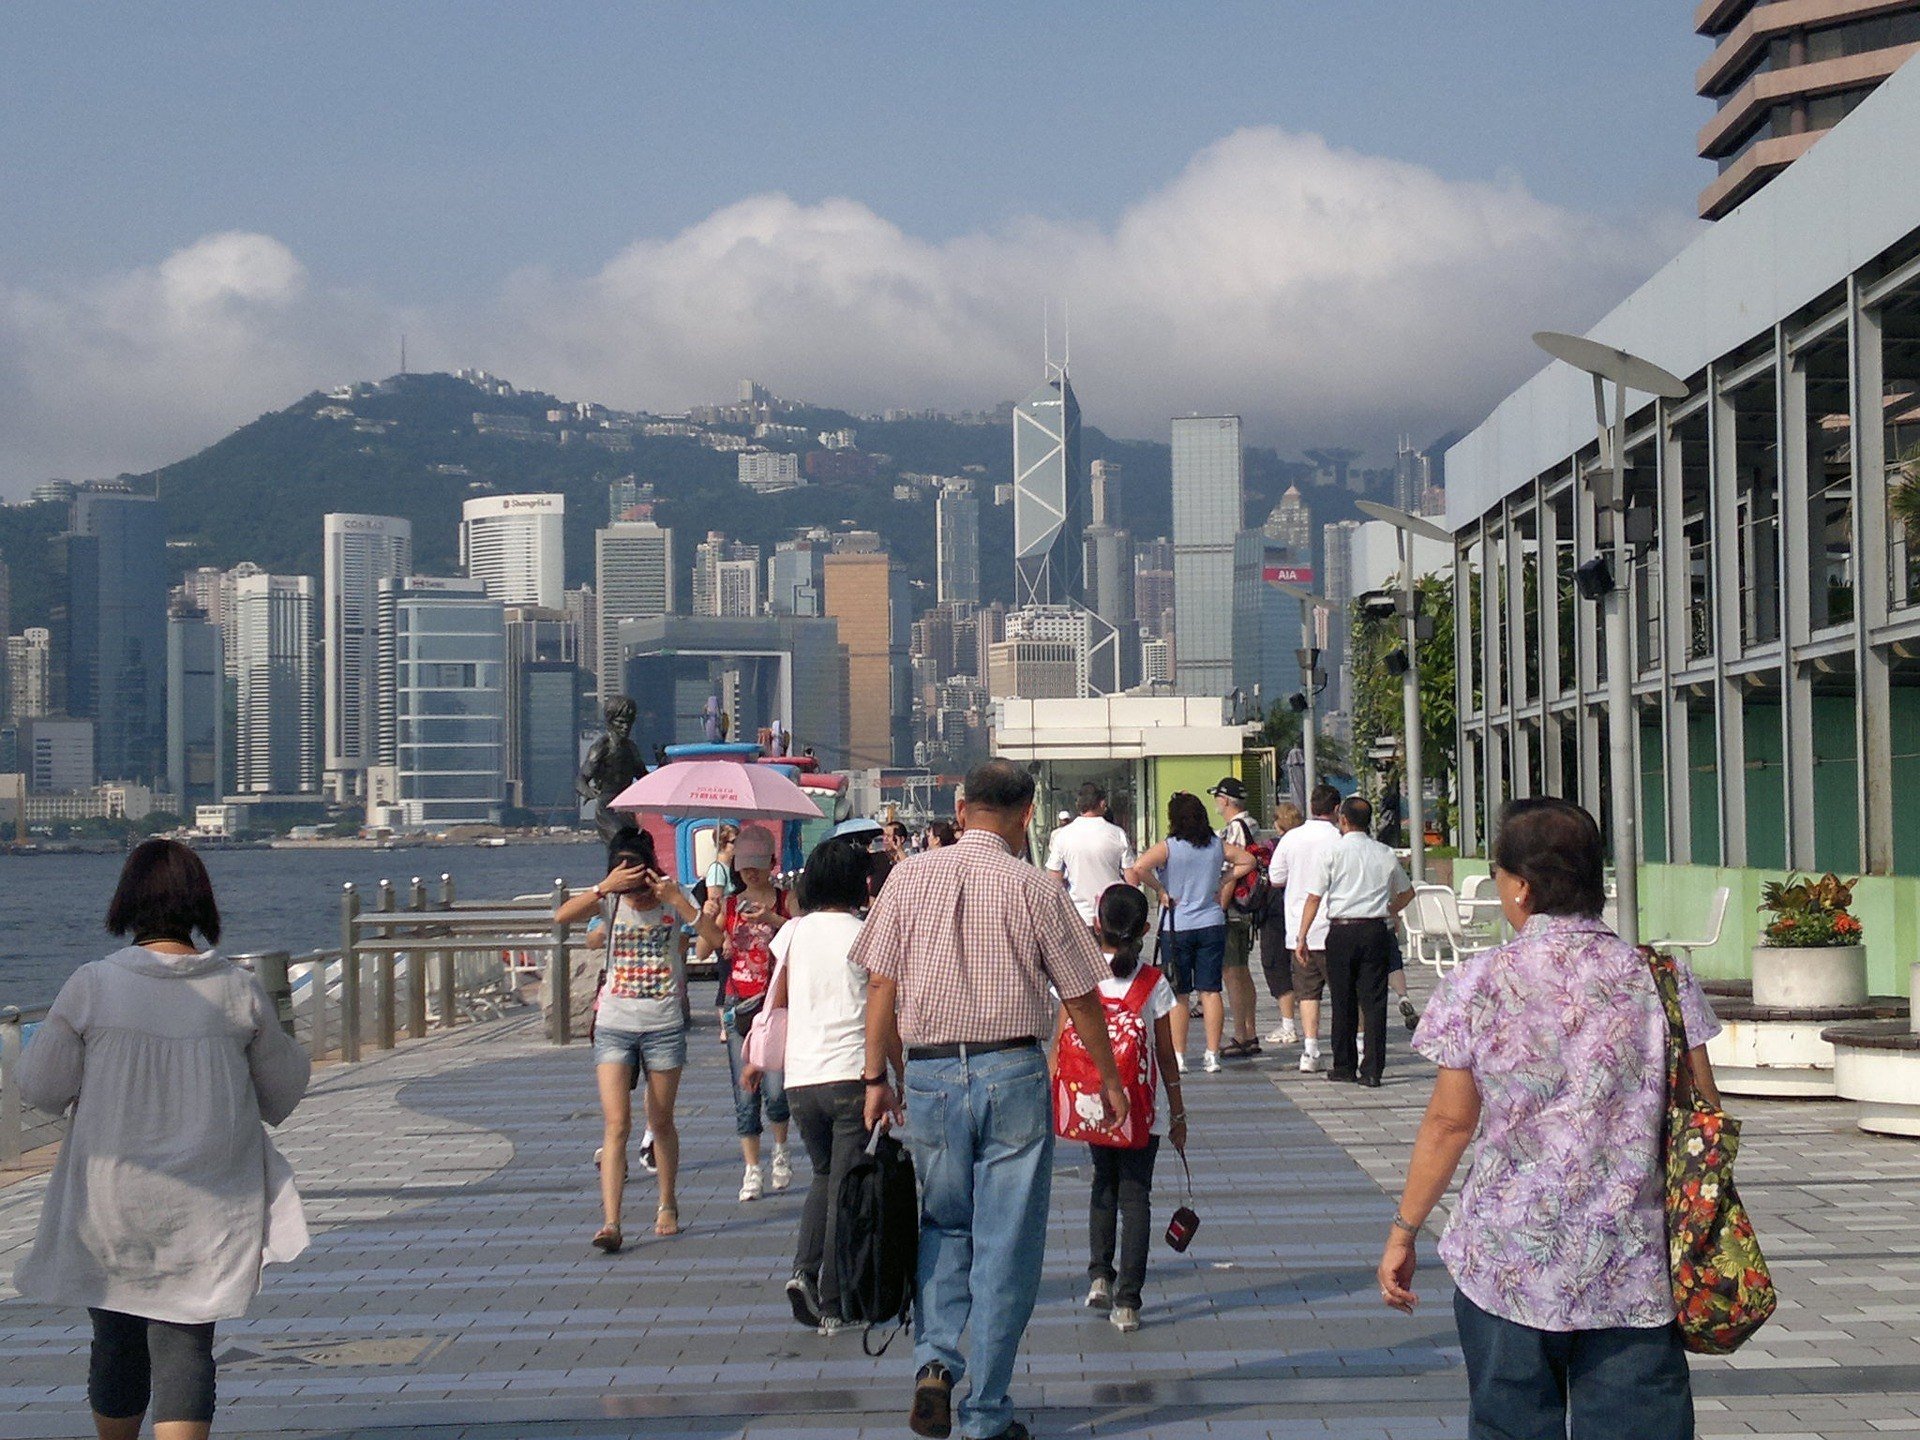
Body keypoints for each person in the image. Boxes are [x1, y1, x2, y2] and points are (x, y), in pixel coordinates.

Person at [1381, 798, 1724, 1438]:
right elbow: (1703, 1110)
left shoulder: (1478, 981)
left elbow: (1449, 1125)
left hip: (1506, 1262)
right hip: (1632, 1265)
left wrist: (1405, 1231)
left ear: (1521, 887)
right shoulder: (1664, 977)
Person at [856, 758, 1128, 1440]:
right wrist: (1109, 1078)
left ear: (960, 804)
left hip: (929, 1074)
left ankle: (934, 1364)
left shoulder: (906, 878)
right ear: (1028, 815)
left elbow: (881, 988)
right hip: (1011, 1070)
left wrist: (875, 1077)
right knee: (1008, 1243)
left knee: (943, 1225)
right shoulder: (1037, 888)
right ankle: (985, 1411)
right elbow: (1080, 996)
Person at [14, 839, 311, 1440]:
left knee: (116, 1336)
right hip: (211, 1197)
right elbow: (283, 1091)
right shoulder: (237, 988)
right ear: (200, 903)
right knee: (187, 1344)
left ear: (128, 901)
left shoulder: (92, 985)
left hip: (113, 1198)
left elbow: (41, 1087)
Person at [752, 839, 887, 1337]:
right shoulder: (866, 933)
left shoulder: (793, 932)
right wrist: (889, 1074)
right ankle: (832, 1299)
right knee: (846, 1190)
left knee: (825, 1176)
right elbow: (881, 1009)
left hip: (800, 1079)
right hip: (850, 1074)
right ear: (860, 884)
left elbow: (778, 998)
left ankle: (803, 1272)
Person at [557, 826, 700, 1249]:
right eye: (625, 877)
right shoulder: (613, 903)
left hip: (663, 1025)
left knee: (660, 1120)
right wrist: (604, 888)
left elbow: (714, 940)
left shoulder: (673, 902)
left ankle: (667, 1203)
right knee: (617, 1123)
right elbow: (562, 917)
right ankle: (612, 1223)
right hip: (615, 1024)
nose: (634, 888)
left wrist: (679, 902)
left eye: (637, 876)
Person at [1068, 884, 1186, 1335]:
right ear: (1145, 929)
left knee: (1103, 1183)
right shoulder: (1153, 983)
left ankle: (1100, 1274)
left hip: (1092, 1102)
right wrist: (1177, 1113)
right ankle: (1129, 1301)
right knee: (1136, 1197)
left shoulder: (1081, 973)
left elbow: (1064, 1032)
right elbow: (1165, 1053)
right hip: (1140, 1108)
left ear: (1098, 924)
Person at [1126, 792, 1255, 1075]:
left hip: (1178, 926)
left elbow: (1138, 868)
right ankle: (1212, 1054)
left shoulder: (1169, 847)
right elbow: (1248, 861)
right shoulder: (1216, 846)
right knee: (1211, 991)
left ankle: (1180, 1055)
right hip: (1211, 921)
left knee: (1180, 993)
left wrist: (1160, 889)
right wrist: (1224, 878)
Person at [698, 826, 794, 1202]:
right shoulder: (731, 905)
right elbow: (705, 949)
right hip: (738, 1006)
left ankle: (781, 1150)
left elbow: (799, 936)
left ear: (771, 864)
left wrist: (772, 920)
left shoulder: (787, 900)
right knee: (745, 1095)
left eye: (757, 866)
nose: (750, 873)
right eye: (744, 867)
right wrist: (709, 917)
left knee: (776, 1092)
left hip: (776, 1008)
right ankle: (752, 1169)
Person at [1294, 795, 1412, 1087]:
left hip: (1342, 930)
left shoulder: (1333, 852)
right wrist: (1389, 909)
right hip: (1374, 930)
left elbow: (1314, 897)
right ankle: (1372, 1070)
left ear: (1343, 819)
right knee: (1374, 1001)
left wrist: (1302, 936)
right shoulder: (1384, 852)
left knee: (1342, 998)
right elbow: (1408, 892)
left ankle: (1344, 1065)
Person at [1269, 783, 1343, 1073]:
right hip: (1337, 925)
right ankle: (1355, 1046)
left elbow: (1276, 877)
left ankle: (1311, 1050)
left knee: (1308, 993)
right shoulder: (1341, 837)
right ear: (1337, 809)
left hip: (1300, 929)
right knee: (1345, 992)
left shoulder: (1292, 838)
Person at [1209, 777, 1263, 1056]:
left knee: (1232, 972)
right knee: (1242, 971)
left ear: (1226, 800)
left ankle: (1242, 1033)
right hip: (1245, 909)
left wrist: (1220, 905)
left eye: (1217, 797)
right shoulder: (1252, 824)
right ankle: (1249, 1031)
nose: (1215, 802)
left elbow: (1231, 871)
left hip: (1233, 910)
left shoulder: (1235, 829)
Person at [1043, 782, 1137, 926]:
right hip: (1112, 913)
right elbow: (1131, 875)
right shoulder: (1117, 833)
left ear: (1078, 805)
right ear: (1102, 803)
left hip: (1078, 914)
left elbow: (1054, 876)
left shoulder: (1063, 835)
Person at [1259, 800, 1304, 1048]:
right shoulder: (1308, 844)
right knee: (1305, 969)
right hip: (1306, 912)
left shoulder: (1273, 846)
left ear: (1278, 823)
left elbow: (1273, 877)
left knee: (1276, 965)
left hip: (1277, 911)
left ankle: (1288, 1024)